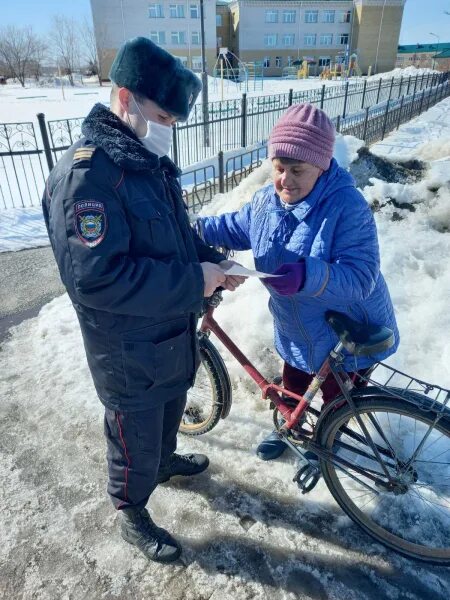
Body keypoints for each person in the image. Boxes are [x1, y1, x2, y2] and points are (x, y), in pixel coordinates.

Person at [41, 37, 244, 564]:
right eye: (162, 115)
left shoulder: (144, 161)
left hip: (169, 334)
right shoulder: (90, 176)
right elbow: (97, 280)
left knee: (169, 412)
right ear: (126, 98)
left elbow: (174, 236)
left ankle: (166, 460)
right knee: (134, 434)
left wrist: (213, 264)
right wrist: (190, 282)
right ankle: (131, 508)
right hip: (129, 350)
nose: (169, 128)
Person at [196, 102, 399, 461]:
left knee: (337, 404)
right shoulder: (265, 202)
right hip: (298, 330)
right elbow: (233, 227)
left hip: (345, 333)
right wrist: (190, 230)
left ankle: (327, 449)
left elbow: (361, 276)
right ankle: (292, 429)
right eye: (278, 168)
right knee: (294, 388)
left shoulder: (347, 207)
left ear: (321, 167)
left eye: (297, 170)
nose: (285, 180)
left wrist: (309, 275)